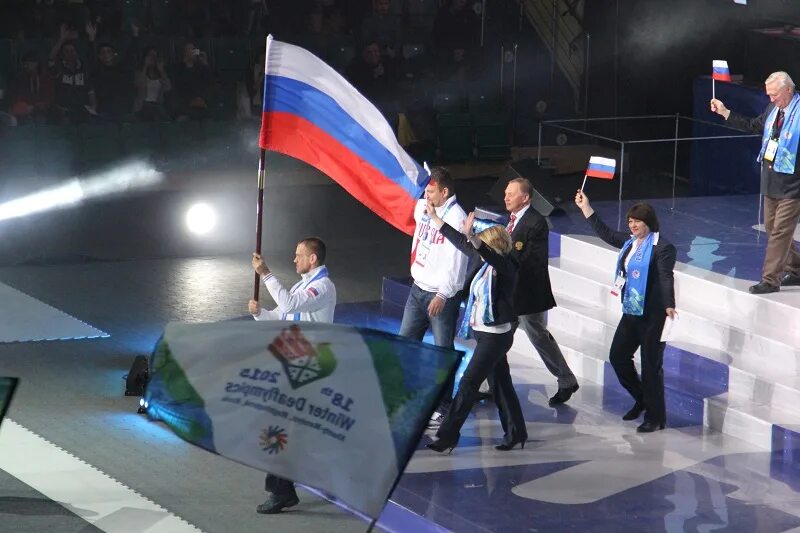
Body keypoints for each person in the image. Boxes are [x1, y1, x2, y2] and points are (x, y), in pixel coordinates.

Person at [574, 191, 677, 433]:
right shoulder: (630, 242)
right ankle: (642, 398)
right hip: (631, 312)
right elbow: (607, 233)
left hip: (653, 316)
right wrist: (586, 208)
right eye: (630, 222)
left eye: (637, 222)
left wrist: (669, 303)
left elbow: (665, 275)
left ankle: (656, 417)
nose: (632, 226)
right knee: (618, 357)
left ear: (648, 223)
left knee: (651, 367)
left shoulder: (663, 247)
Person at [424, 208, 526, 453]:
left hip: (496, 336)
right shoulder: (482, 264)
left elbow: (489, 255)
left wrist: (474, 238)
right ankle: (516, 433)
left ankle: (447, 436)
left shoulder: (507, 266)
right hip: (483, 333)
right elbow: (462, 242)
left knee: (468, 383)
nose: (478, 249)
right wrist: (437, 220)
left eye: (484, 243)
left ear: (493, 245)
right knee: (501, 383)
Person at [248, 237, 336, 514]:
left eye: (299, 255)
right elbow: (282, 312)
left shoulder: (322, 287)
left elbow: (289, 302)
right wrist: (260, 313)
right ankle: (294, 484)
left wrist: (266, 274)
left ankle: (281, 490)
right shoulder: (305, 284)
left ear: (313, 259)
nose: (294, 259)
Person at [710, 71, 800, 294]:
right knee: (772, 229)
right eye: (769, 95)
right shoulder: (773, 109)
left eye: (775, 95)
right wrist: (725, 112)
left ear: (789, 89)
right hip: (772, 179)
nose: (771, 99)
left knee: (780, 231)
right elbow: (754, 125)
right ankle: (797, 268)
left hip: (794, 183)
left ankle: (770, 280)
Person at [399, 167, 468, 426]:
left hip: (441, 296)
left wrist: (442, 294)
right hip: (417, 290)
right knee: (405, 344)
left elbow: (457, 262)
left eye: (431, 191)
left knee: (442, 351)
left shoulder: (456, 217)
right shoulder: (426, 208)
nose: (426, 196)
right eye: (426, 191)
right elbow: (408, 196)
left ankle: (443, 405)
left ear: (445, 192)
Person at [504, 178, 580, 405]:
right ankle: (491, 383)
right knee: (497, 338)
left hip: (528, 294)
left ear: (525, 197)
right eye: (506, 193)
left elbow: (532, 262)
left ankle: (566, 379)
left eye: (511, 194)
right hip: (509, 292)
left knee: (537, 335)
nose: (505, 197)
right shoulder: (511, 220)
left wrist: (503, 264)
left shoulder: (535, 222)